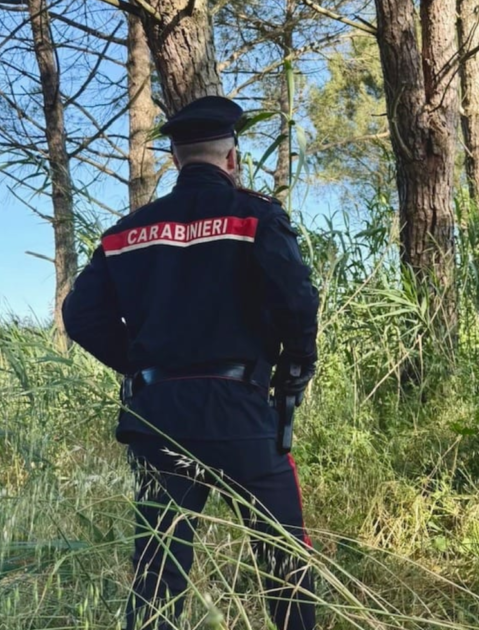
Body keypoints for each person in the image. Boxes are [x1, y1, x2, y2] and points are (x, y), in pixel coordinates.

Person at [62, 95, 319, 629]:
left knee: (158, 572)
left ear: (176, 160)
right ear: (232, 159)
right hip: (242, 412)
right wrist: (294, 370)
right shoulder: (256, 216)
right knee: (283, 558)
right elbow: (296, 300)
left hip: (160, 417)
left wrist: (141, 365)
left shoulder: (125, 231)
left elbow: (80, 315)